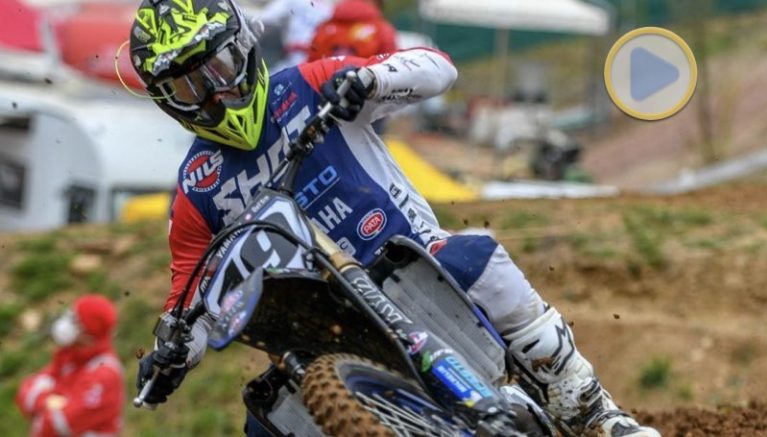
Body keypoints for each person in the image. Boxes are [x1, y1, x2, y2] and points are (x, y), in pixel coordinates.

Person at [127, 0, 660, 435]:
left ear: (242, 48)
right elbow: (190, 295)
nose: (213, 93)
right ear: (166, 100)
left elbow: (438, 68)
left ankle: (594, 413)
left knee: (475, 258)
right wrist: (172, 355)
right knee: (264, 420)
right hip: (322, 324)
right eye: (188, 86)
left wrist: (372, 80)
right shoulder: (198, 186)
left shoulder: (310, 85)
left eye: (216, 69)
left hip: (411, 261)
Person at [15, 294, 124, 437]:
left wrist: (42, 406)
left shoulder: (105, 373)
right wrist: (47, 402)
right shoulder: (70, 357)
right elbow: (27, 392)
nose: (65, 323)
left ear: (88, 333)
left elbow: (61, 424)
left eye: (74, 319)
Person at [254, 0, 334, 71]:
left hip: (297, 60)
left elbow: (263, 19)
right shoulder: (329, 9)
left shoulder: (329, 10)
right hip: (316, 64)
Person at [307, 0, 397, 61]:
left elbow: (309, 67)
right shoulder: (382, 29)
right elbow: (390, 67)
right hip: (364, 82)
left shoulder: (325, 27)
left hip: (323, 82)